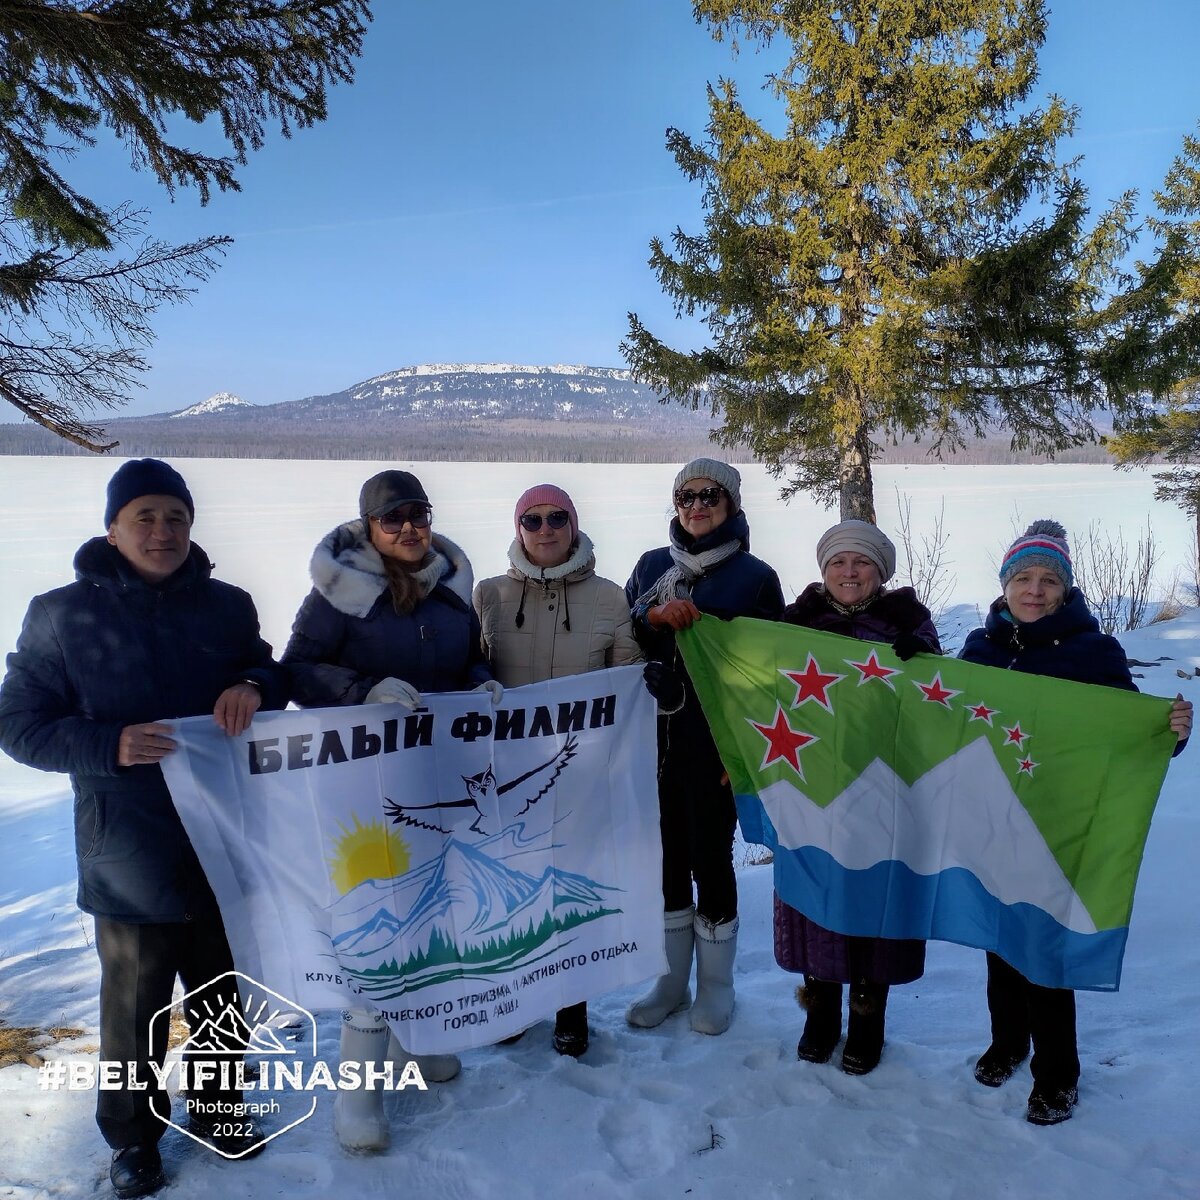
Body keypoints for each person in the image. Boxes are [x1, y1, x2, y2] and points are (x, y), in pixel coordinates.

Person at [0, 459, 287, 1199]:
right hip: (127, 848)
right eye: (146, 518)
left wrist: (253, 686)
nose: (163, 531)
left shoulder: (227, 606)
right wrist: (109, 745)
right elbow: (19, 723)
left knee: (222, 991)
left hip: (221, 839)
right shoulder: (62, 614)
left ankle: (222, 1110)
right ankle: (132, 1138)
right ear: (113, 529)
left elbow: (272, 673)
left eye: (176, 517)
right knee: (135, 1006)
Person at [282, 468, 496, 1153]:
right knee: (378, 926)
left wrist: (483, 684)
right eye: (392, 518)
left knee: (436, 914)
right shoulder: (339, 593)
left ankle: (421, 1036)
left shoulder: (453, 590)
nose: (408, 528)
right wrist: (364, 688)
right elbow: (297, 671)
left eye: (417, 514)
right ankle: (359, 1091)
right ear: (369, 527)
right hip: (365, 789)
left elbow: (469, 662)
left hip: (440, 778)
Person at [960, 519, 1192, 1126]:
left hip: (1058, 826)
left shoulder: (1094, 651)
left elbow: (1130, 736)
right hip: (993, 820)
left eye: (1048, 580)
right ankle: (1008, 1042)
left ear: (1065, 589)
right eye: (1022, 579)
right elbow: (948, 723)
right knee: (999, 937)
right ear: (1004, 585)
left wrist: (1168, 734)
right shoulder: (980, 651)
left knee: (1044, 946)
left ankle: (1057, 1074)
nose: (1034, 591)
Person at [473, 483, 642, 1056]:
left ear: (574, 524)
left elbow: (628, 682)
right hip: (508, 774)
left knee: (570, 892)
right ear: (517, 529)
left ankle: (572, 1006)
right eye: (532, 520)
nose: (545, 530)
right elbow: (468, 674)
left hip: (579, 771)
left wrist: (654, 689)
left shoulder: (610, 598)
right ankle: (514, 1000)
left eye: (557, 518)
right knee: (508, 889)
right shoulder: (488, 595)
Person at [624, 458, 785, 1035]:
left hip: (716, 746)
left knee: (711, 859)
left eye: (710, 495)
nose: (697, 505)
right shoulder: (649, 566)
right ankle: (671, 980)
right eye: (686, 495)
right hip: (654, 740)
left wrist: (746, 754)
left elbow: (772, 674)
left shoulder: (755, 576)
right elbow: (625, 639)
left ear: (733, 505)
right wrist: (651, 619)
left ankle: (717, 985)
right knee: (665, 861)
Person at [774, 519, 941, 1075]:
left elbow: (939, 705)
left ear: (881, 572)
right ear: (823, 570)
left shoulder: (910, 626)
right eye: (838, 562)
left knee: (874, 901)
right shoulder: (791, 624)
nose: (850, 572)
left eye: (862, 562)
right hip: (811, 789)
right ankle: (819, 1015)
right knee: (817, 898)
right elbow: (757, 691)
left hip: (884, 790)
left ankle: (868, 1022)